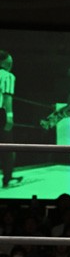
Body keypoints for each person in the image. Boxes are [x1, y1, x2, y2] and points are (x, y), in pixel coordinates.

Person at [0, 50, 21, 188]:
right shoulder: (7, 76)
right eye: (9, 63)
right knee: (8, 147)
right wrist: (9, 116)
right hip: (1, 113)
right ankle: (7, 177)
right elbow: (7, 97)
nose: (11, 65)